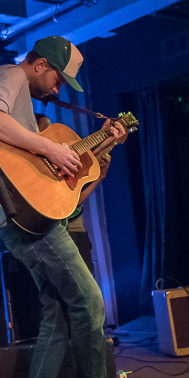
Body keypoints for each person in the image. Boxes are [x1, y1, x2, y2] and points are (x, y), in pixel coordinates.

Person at [0, 36, 151, 378]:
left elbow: (66, 193)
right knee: (89, 300)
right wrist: (50, 150)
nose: (56, 89)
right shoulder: (9, 75)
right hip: (24, 219)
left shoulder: (30, 107)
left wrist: (101, 146)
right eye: (56, 78)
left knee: (58, 314)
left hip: (33, 215)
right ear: (39, 65)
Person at [34, 112, 121, 274]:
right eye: (43, 132)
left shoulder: (61, 159)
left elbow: (76, 198)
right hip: (50, 231)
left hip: (75, 226)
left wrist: (99, 177)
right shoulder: (36, 168)